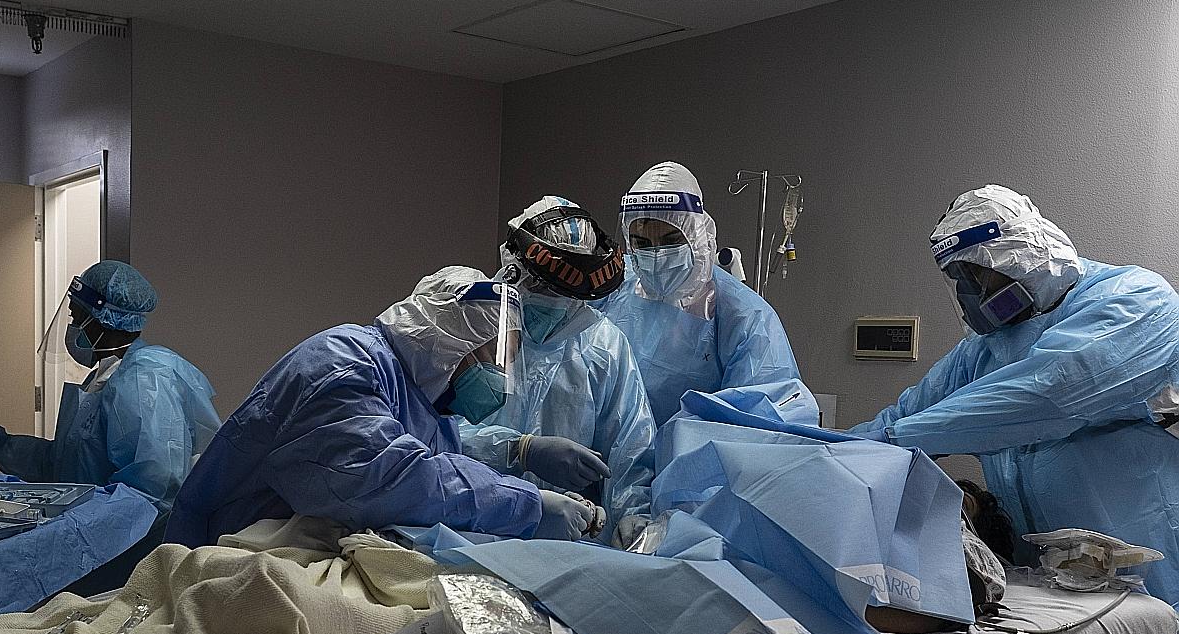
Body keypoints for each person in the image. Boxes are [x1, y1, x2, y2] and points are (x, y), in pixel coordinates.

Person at [850, 185, 1179, 603]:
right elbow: (909, 410)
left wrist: (897, 440)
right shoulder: (985, 349)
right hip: (1042, 579)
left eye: (977, 275)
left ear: (1022, 256)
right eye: (958, 280)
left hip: (1146, 573)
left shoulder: (1136, 301)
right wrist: (832, 450)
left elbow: (1045, 395)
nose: (970, 294)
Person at [166, 267, 599, 547]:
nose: (497, 378)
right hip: (229, 555)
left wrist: (520, 452)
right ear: (445, 341)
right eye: (488, 359)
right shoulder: (342, 366)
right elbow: (395, 479)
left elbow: (441, 458)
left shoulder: (416, 392)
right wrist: (528, 505)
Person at [0, 260, 221, 526]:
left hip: (125, 541)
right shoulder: (106, 377)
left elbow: (151, 491)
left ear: (103, 319)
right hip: (98, 529)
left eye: (77, 316)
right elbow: (67, 466)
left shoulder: (143, 381)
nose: (72, 326)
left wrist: (77, 526)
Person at [456, 196, 657, 549]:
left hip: (564, 542)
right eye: (543, 288)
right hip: (464, 523)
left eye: (566, 295)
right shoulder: (470, 322)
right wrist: (517, 450)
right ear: (513, 267)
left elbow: (632, 445)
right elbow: (425, 432)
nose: (555, 303)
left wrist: (631, 512)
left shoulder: (604, 347)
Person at [602, 161, 801, 425]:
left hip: (696, 461)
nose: (657, 254)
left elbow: (759, 427)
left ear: (698, 235)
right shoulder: (613, 291)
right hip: (607, 462)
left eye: (671, 240)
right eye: (642, 243)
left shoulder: (747, 318)